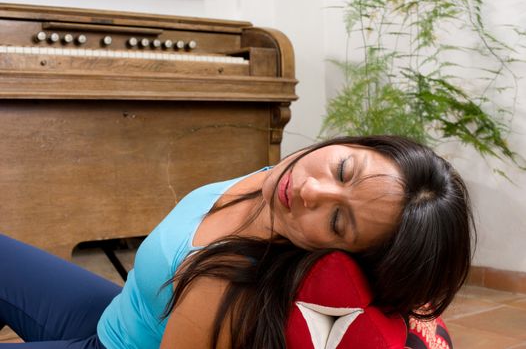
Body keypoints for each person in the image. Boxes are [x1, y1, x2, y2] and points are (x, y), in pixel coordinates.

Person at [0, 135, 475, 349]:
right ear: (358, 144)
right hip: (119, 309)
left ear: (339, 256)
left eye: (337, 221)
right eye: (344, 170)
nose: (311, 189)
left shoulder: (232, 288)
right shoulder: (283, 180)